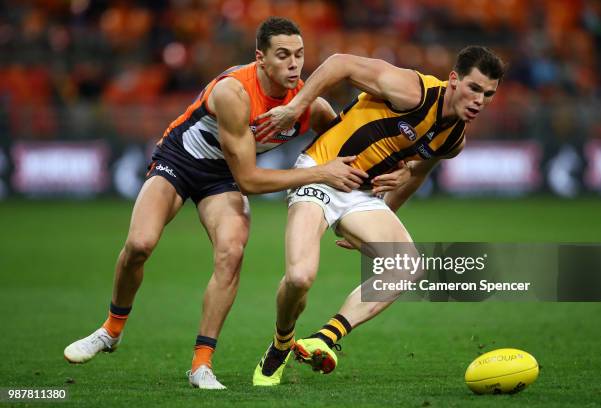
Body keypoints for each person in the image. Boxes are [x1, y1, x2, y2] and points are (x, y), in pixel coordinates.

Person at [63, 17, 369, 390]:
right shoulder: (234, 93)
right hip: (181, 159)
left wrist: (383, 179)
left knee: (231, 252)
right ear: (261, 59)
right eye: (283, 55)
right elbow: (251, 180)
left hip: (222, 177)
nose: (294, 64)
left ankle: (201, 365)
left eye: (300, 55)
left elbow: (350, 148)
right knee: (140, 244)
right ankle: (111, 330)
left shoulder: (309, 106)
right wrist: (321, 174)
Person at [252, 45, 504, 385]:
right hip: (321, 173)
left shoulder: (453, 140)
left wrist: (382, 214)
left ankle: (324, 338)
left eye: (488, 94)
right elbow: (340, 62)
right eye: (474, 88)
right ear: (454, 80)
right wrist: (296, 106)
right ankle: (281, 343)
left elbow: (417, 172)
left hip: (361, 196)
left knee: (407, 265)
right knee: (299, 278)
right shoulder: (412, 91)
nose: (479, 100)